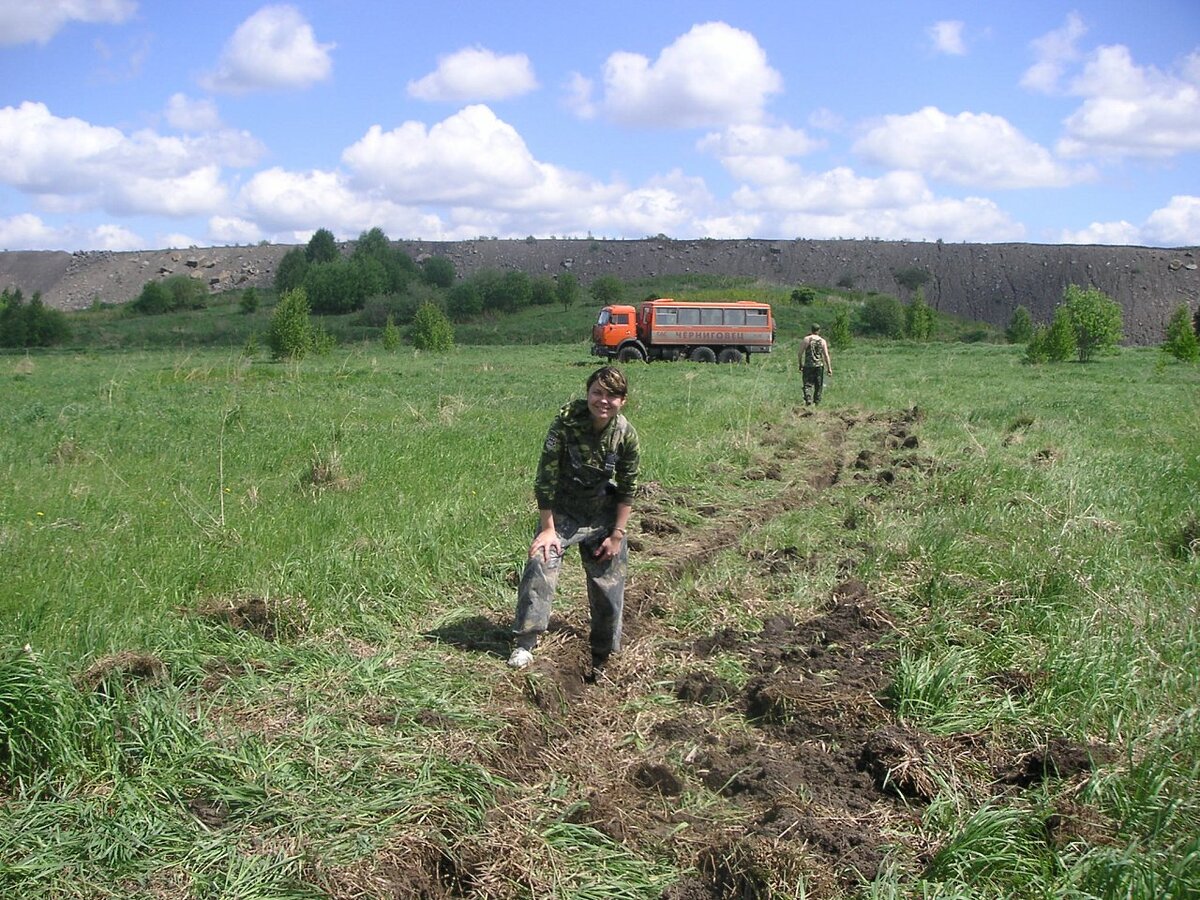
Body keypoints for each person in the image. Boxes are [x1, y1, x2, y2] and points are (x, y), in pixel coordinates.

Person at [508, 366, 641, 676]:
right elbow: (546, 477)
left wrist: (617, 535)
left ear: (623, 400)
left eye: (612, 396)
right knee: (541, 561)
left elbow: (628, 486)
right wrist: (548, 530)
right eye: (597, 392)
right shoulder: (566, 424)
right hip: (563, 511)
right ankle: (525, 643)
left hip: (601, 512)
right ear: (587, 393)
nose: (603, 401)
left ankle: (604, 652)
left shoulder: (625, 435)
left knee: (608, 577)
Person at [798, 323, 833, 406]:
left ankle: (808, 398)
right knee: (818, 385)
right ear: (819, 330)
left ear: (811, 330)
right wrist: (829, 368)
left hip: (808, 365)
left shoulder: (807, 339)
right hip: (819, 366)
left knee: (807, 384)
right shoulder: (822, 341)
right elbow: (826, 355)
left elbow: (800, 353)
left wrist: (800, 364)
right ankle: (817, 401)